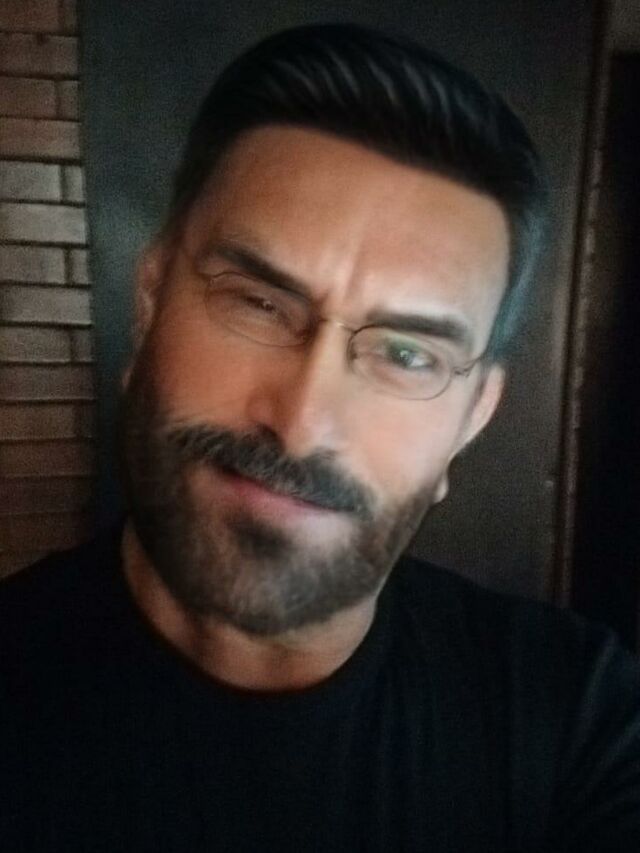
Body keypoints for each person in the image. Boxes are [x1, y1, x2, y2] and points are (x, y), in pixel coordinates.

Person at [1, 23, 638, 852]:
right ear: (151, 304)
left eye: (406, 353)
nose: (301, 422)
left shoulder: (584, 720)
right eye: (258, 303)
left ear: (473, 416)